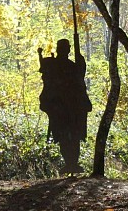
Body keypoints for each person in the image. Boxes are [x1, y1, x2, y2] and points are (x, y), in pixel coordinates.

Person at [38, 37, 92, 174]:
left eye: (66, 48)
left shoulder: (73, 66)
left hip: (72, 108)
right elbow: (46, 75)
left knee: (74, 136)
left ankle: (73, 163)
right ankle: (69, 163)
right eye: (64, 48)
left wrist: (81, 62)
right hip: (59, 108)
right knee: (63, 135)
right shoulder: (53, 64)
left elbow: (79, 80)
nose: (65, 50)